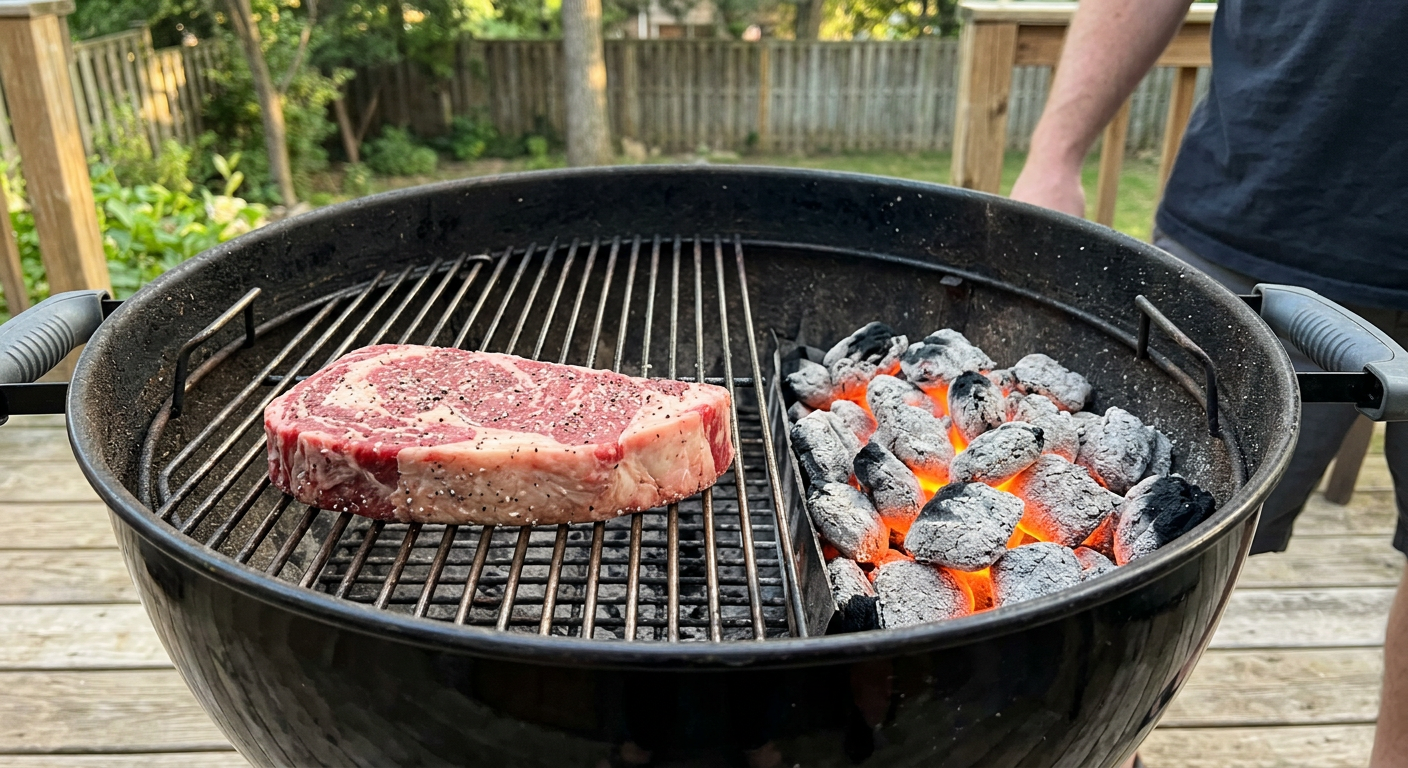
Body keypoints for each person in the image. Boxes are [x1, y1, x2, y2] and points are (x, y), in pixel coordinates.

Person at [1009, 0, 1408, 764]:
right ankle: (1099, 740)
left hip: (1256, 219)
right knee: (1154, 557)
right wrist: (1055, 152)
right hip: (1256, 220)